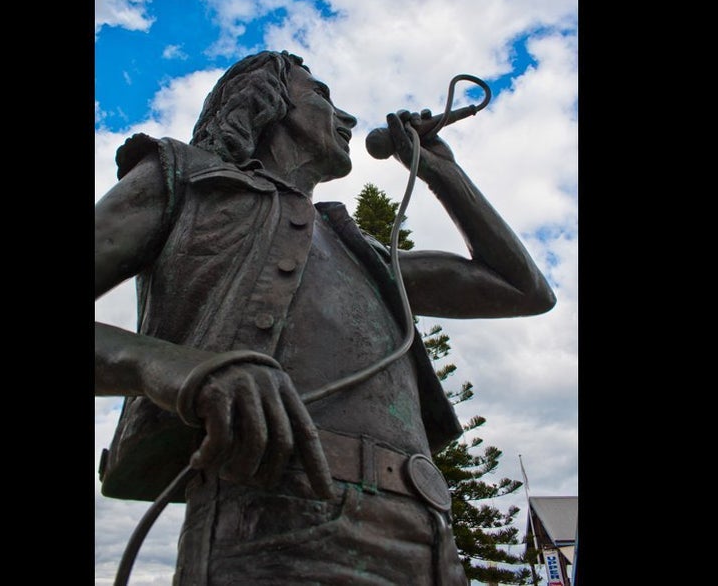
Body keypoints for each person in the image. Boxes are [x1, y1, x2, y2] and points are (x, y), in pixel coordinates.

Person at [95, 50, 555, 585]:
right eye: (321, 94)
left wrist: (442, 172)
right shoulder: (184, 180)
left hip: (429, 535)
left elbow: (522, 290)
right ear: (267, 102)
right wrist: (180, 369)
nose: (349, 119)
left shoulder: (358, 251)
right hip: (275, 518)